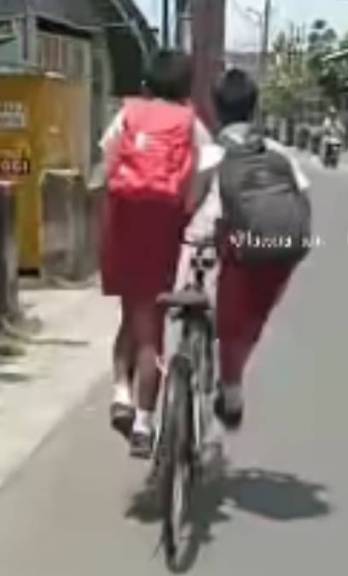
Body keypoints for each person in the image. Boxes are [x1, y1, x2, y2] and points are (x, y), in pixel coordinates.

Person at [101, 50, 217, 458]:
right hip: (167, 233)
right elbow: (203, 181)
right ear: (187, 89)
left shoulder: (128, 116)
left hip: (123, 226)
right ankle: (144, 423)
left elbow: (107, 162)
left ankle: (120, 394)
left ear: (146, 85)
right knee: (152, 333)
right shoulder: (192, 126)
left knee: (131, 315)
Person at [183, 69, 311, 430]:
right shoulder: (279, 153)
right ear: (254, 110)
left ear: (216, 109)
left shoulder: (209, 154)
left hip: (233, 246)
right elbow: (300, 195)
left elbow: (188, 203)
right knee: (249, 320)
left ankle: (230, 391)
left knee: (225, 314)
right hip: (280, 247)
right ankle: (231, 387)